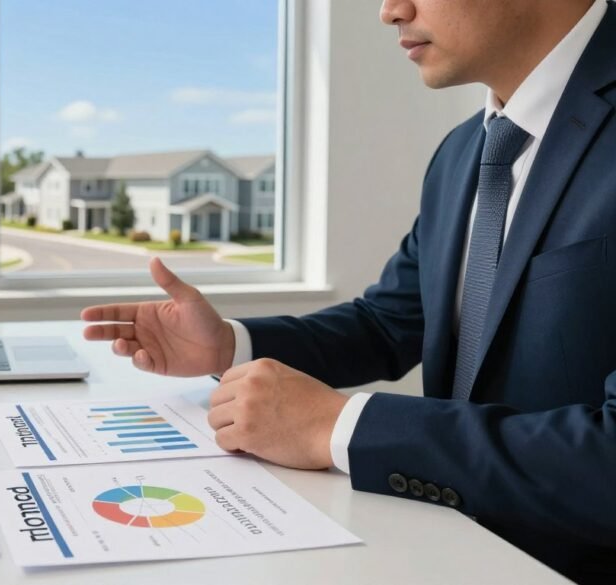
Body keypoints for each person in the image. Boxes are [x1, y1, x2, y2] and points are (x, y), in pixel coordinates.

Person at [81, 1, 616, 583]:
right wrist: (230, 346)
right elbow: (390, 322)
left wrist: (338, 427)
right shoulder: (466, 150)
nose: (391, 11)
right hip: (452, 547)